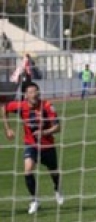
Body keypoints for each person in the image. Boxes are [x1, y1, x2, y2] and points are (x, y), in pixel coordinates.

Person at [1, 82, 63, 214]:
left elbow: (58, 127)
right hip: (31, 144)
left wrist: (44, 133)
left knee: (54, 172)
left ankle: (57, 190)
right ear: (25, 95)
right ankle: (35, 200)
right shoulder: (21, 106)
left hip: (47, 144)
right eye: (31, 92)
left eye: (36, 91)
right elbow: (4, 108)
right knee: (28, 170)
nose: (34, 94)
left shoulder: (47, 106)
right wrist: (8, 129)